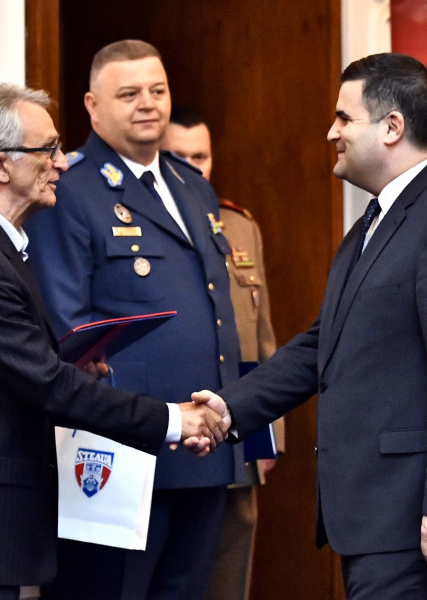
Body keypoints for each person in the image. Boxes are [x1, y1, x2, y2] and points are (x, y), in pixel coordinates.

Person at [192, 53, 427, 600]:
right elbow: (323, 343)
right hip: (377, 515)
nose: (332, 132)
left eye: (344, 118)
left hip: (416, 515)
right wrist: (230, 408)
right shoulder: (374, 223)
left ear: (392, 127)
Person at [0, 83, 227, 600]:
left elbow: (8, 367)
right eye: (47, 150)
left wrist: (67, 364)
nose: (62, 164)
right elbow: (45, 385)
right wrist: (175, 419)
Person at [23, 40, 242, 600]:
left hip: (202, 447)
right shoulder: (69, 188)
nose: (148, 103)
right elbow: (68, 335)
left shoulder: (192, 185)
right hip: (118, 454)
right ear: (93, 106)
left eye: (157, 90)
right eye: (129, 94)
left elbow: (215, 310)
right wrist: (150, 421)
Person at [162, 105, 283, 600]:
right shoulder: (149, 228)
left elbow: (260, 338)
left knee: (230, 573)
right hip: (172, 427)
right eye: (179, 156)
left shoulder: (238, 226)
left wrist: (265, 437)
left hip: (235, 429)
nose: (194, 167)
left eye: (201, 156)